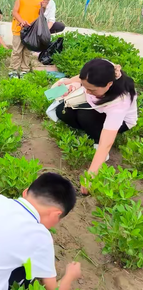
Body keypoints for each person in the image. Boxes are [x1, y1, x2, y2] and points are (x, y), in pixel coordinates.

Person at [54, 59, 137, 194]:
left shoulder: (120, 100)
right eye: (86, 88)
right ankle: (91, 129)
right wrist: (69, 83)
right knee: (61, 110)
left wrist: (91, 175)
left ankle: (97, 143)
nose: (88, 91)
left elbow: (107, 142)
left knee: (85, 117)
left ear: (109, 84)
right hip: (96, 109)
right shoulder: (104, 68)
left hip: (121, 122)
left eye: (92, 89)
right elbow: (82, 78)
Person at [9, 0, 43, 78]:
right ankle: (13, 70)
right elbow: (15, 12)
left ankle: (25, 69)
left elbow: (40, 15)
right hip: (18, 29)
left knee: (27, 51)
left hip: (32, 31)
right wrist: (22, 21)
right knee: (17, 51)